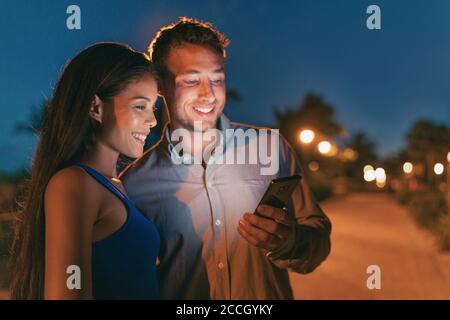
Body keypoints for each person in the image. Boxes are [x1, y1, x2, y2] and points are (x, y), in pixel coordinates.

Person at [120, 17, 332, 299]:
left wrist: (290, 240)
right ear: (159, 84)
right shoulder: (133, 185)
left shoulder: (271, 148)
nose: (208, 94)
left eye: (217, 78)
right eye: (192, 80)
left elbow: (318, 240)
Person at [10, 43, 160, 300]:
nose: (153, 120)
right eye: (139, 106)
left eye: (153, 108)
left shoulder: (116, 186)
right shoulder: (75, 183)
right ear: (96, 108)